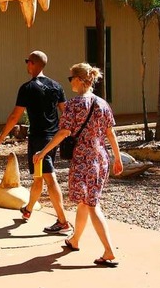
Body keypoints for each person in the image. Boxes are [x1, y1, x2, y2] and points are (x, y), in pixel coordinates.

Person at [34, 63, 124, 267]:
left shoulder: (74, 105)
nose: (69, 82)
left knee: (92, 205)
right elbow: (110, 133)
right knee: (86, 201)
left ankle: (109, 251)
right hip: (101, 158)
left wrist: (43, 151)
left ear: (80, 80)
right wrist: (117, 158)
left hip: (84, 160)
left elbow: (64, 132)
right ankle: (75, 239)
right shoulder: (102, 104)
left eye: (70, 78)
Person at [0, 50, 71, 234]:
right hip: (53, 138)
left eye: (28, 61)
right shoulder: (56, 86)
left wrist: (1, 137)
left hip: (39, 141)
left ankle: (63, 222)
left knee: (50, 179)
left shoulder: (27, 88)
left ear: (33, 64)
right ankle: (28, 210)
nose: (26, 64)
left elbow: (14, 117)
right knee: (38, 177)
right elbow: (65, 112)